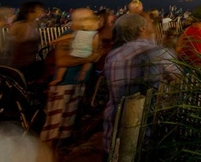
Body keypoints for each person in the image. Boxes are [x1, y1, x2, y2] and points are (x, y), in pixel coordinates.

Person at [103, 13, 181, 155]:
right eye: (149, 25)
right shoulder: (158, 52)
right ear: (141, 29)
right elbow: (179, 80)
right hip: (147, 134)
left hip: (114, 132)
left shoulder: (113, 55)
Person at [40, 8, 101, 146]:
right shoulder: (69, 35)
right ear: (80, 21)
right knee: (54, 129)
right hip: (65, 86)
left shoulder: (87, 35)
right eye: (89, 18)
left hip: (77, 84)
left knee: (65, 129)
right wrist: (89, 58)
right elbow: (62, 61)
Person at [50, 12, 100, 85]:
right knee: (65, 66)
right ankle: (59, 78)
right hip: (67, 84)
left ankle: (81, 73)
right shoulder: (73, 32)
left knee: (86, 65)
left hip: (78, 83)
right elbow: (62, 62)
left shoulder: (90, 33)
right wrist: (92, 55)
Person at [5, 1, 45, 83]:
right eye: (39, 9)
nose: (41, 11)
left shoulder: (30, 24)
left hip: (29, 64)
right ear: (30, 11)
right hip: (22, 67)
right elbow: (15, 48)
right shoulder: (21, 26)